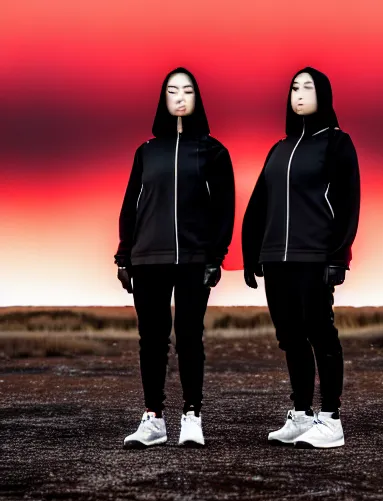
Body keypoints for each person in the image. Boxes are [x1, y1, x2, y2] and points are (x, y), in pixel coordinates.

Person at [115, 67, 235, 449]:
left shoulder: (213, 152)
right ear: (163, 99)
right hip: (147, 257)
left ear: (197, 98)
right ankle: (153, 419)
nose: (179, 97)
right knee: (151, 339)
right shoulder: (146, 152)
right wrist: (123, 256)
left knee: (188, 337)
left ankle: (192, 417)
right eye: (172, 91)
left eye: (186, 91)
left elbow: (225, 209)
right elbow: (131, 205)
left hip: (194, 260)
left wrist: (215, 257)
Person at [242, 67, 360, 449]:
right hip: (277, 258)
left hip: (314, 256)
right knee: (290, 337)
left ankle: (331, 419)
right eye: (295, 86)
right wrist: (251, 253)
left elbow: (347, 203)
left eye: (308, 86)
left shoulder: (337, 144)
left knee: (320, 332)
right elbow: (260, 203)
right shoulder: (279, 149)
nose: (300, 92)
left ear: (324, 94)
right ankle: (302, 415)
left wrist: (338, 256)